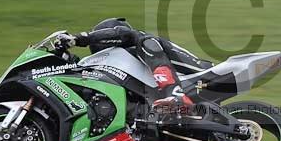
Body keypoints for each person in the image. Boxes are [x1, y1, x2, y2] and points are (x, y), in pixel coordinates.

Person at [59, 18, 211, 111]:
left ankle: (175, 93)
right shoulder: (127, 68)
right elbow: (82, 71)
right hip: (175, 92)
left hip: (197, 73)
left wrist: (80, 38)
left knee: (145, 41)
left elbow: (124, 34)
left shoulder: (135, 41)